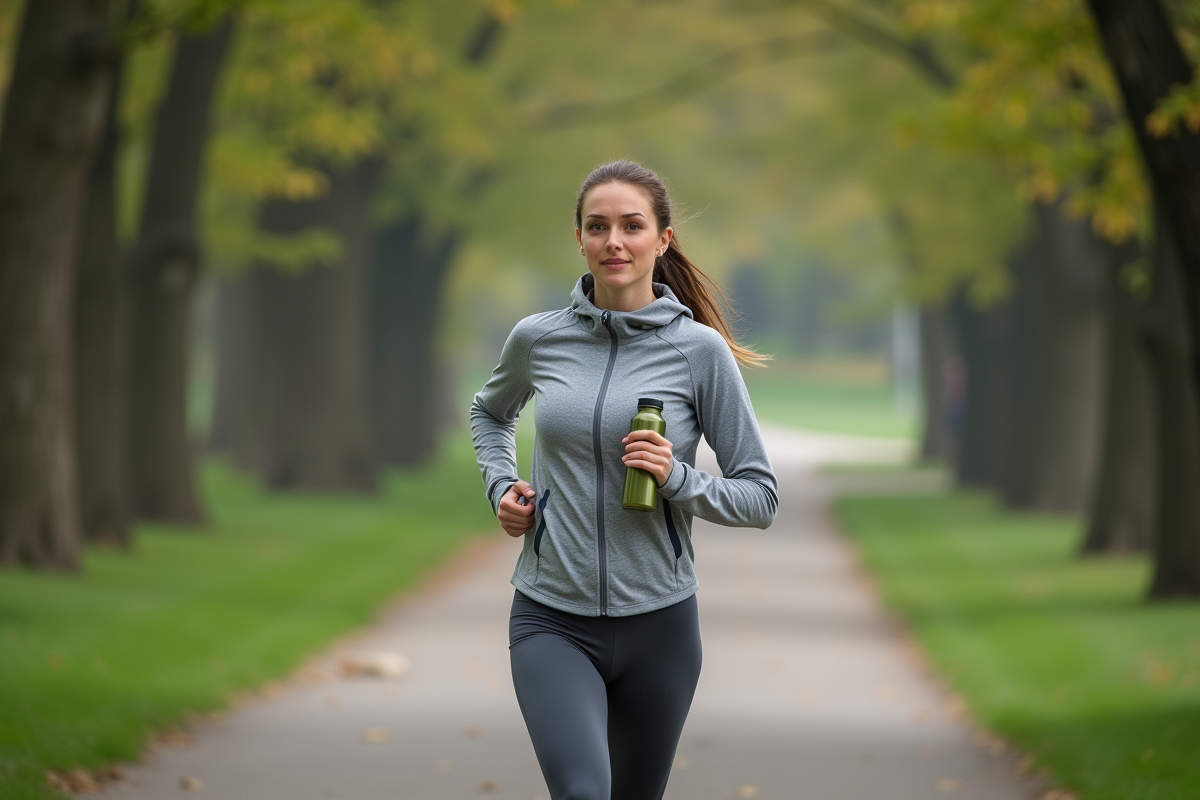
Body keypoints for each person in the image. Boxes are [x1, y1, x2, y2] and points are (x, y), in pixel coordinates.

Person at [470, 160, 779, 800]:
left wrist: (677, 478)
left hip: (660, 627)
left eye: (632, 226)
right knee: (583, 793)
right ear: (579, 239)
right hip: (551, 616)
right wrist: (502, 487)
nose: (614, 240)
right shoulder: (539, 339)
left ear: (662, 239)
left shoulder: (699, 352)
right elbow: (489, 411)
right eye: (598, 226)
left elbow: (760, 496)